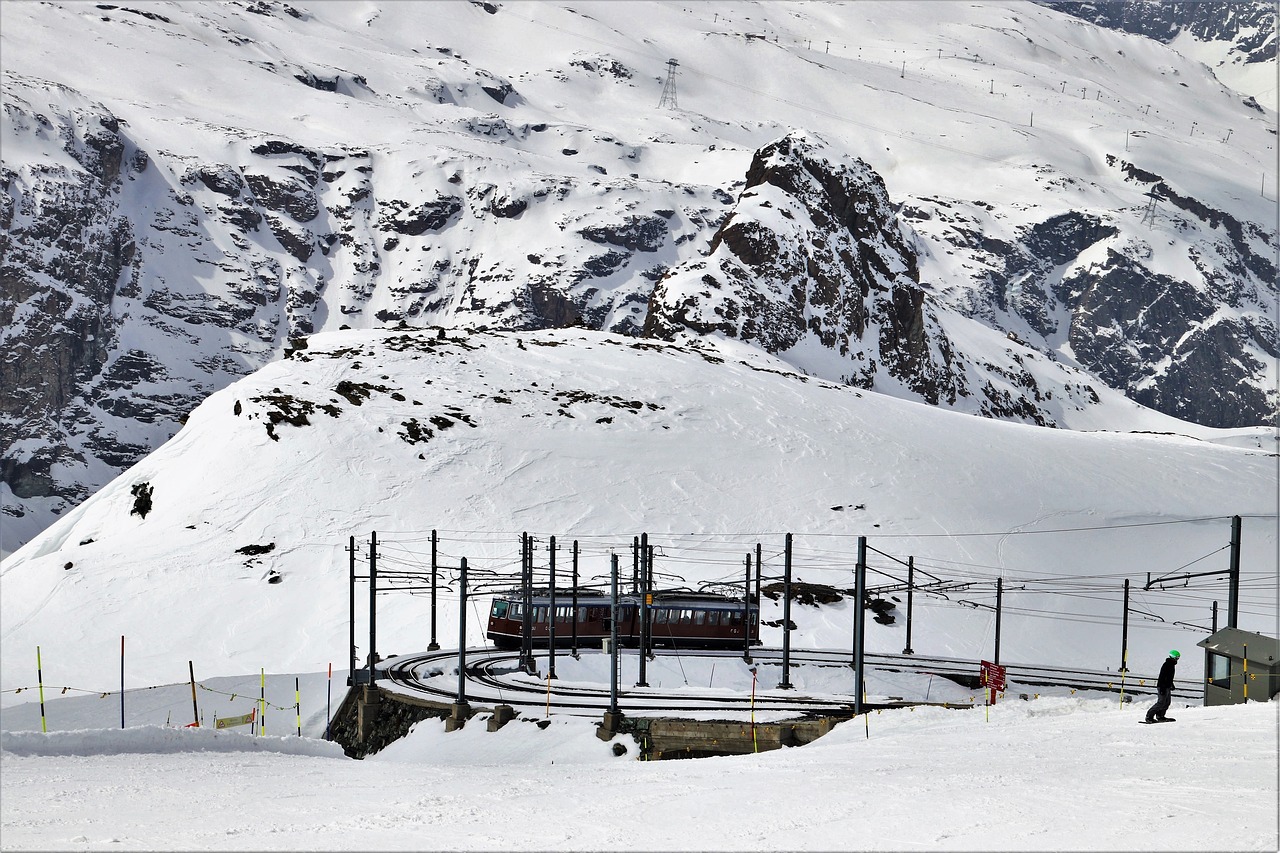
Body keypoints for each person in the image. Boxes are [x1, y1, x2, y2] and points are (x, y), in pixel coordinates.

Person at [1146, 650, 1180, 722]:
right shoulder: (1167, 664)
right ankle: (1149, 717)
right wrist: (1162, 688)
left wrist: (1171, 684)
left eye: (1178, 658)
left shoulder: (1171, 664)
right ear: (1173, 657)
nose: (1177, 659)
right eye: (1177, 658)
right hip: (1162, 686)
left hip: (1167, 686)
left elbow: (1169, 677)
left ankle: (1160, 716)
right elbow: (1162, 677)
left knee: (1167, 702)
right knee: (1161, 703)